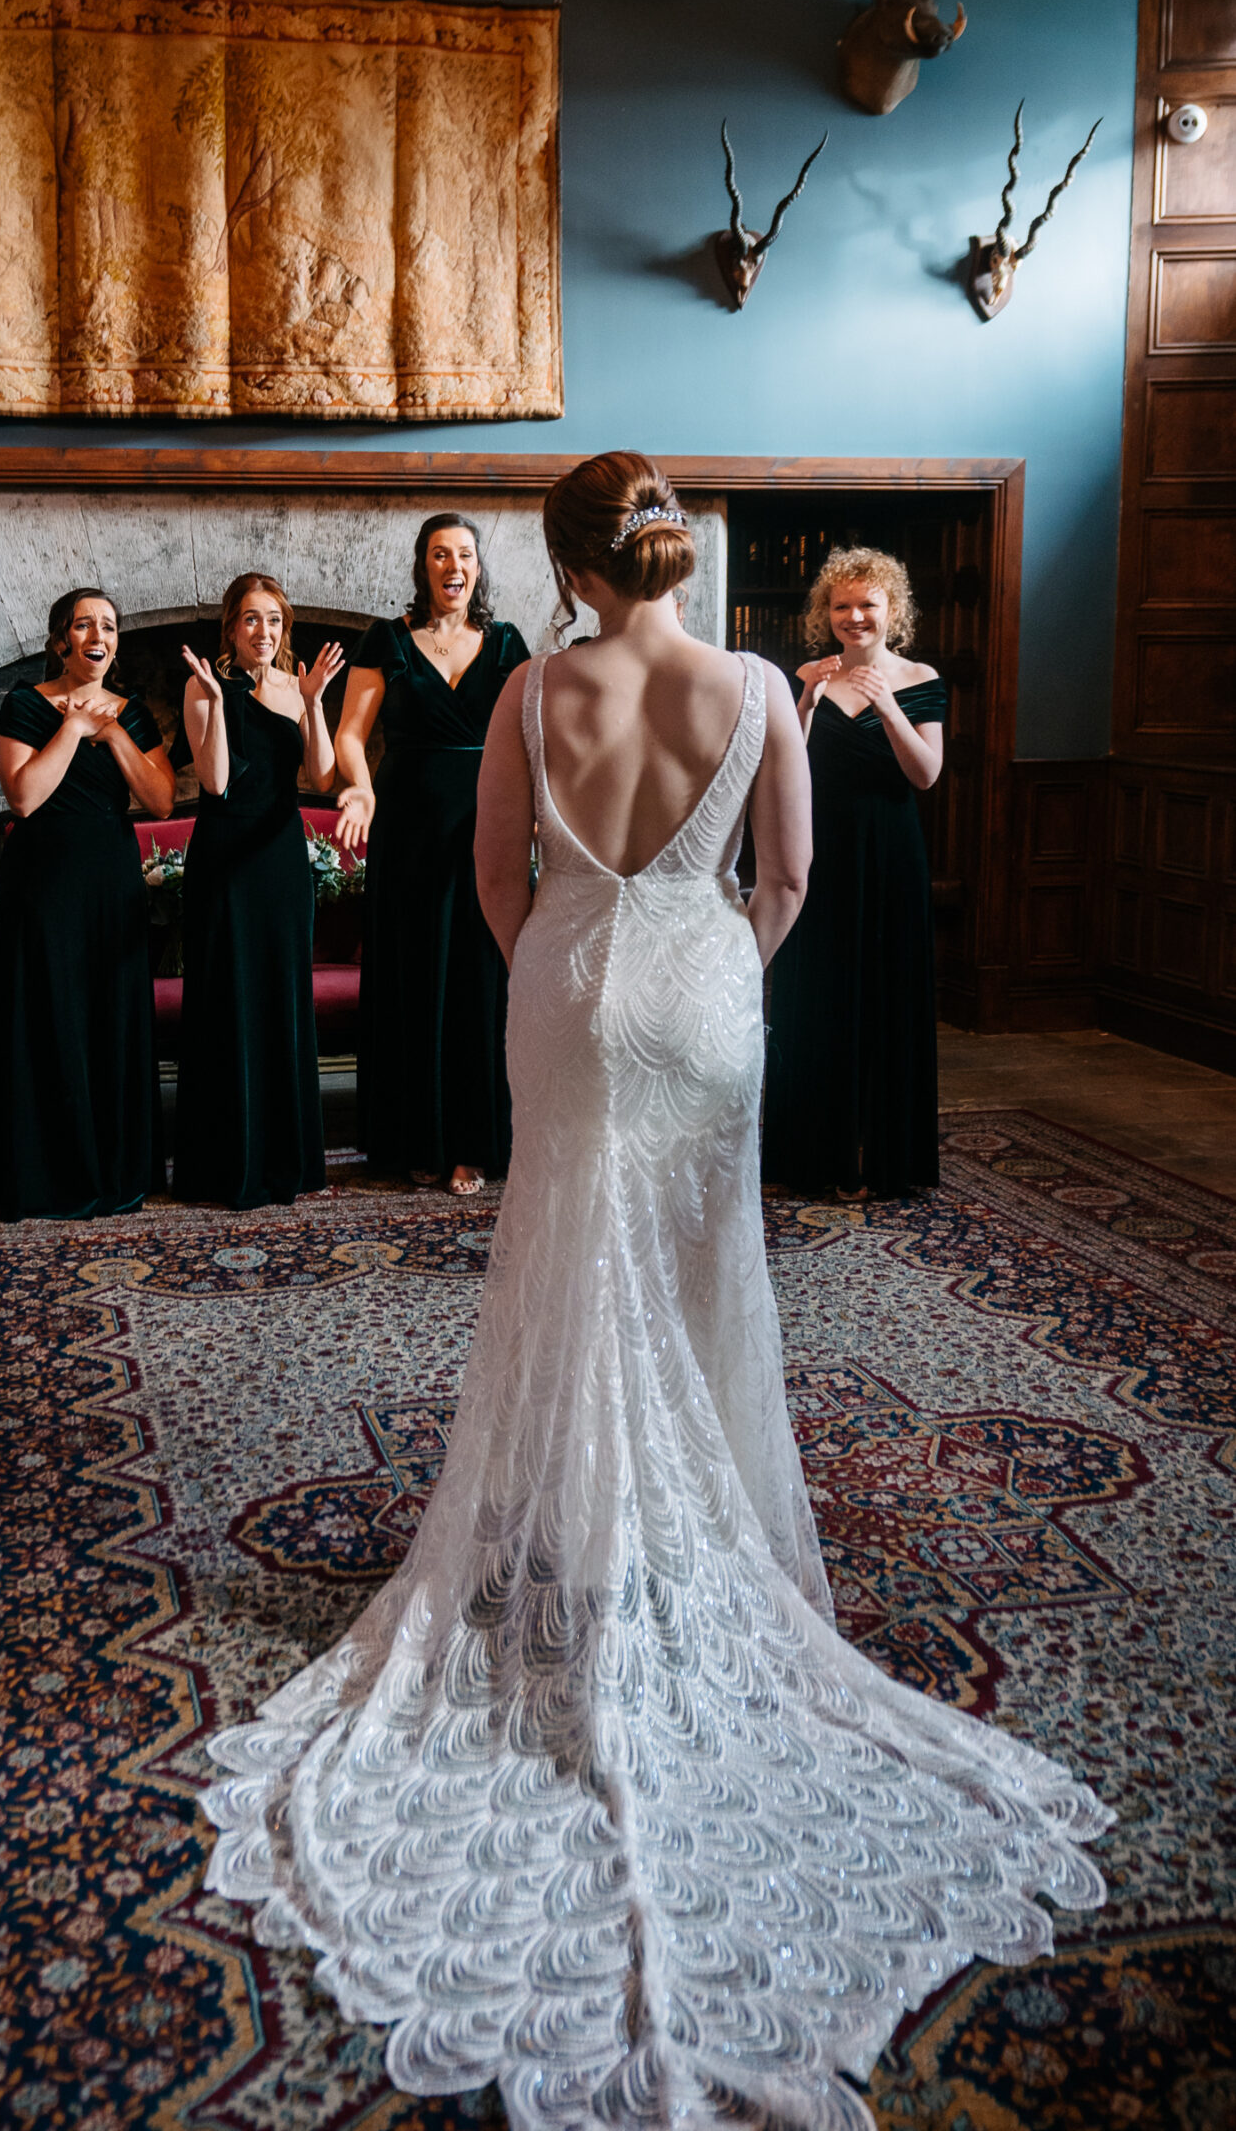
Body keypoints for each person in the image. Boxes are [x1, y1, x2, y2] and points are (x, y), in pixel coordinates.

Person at [201, 454, 1107, 2129]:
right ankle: (687, 1555)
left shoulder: (538, 684)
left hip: (563, 984)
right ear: (676, 546)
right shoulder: (758, 681)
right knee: (703, 1272)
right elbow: (792, 878)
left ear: (560, 563)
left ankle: (591, 1536)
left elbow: (489, 876)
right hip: (702, 985)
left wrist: (565, 968)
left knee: (559, 1257)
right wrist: (708, 977)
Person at [333, 515, 528, 1194]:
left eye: (464, 554)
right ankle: (414, 1138)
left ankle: (471, 1144)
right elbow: (351, 735)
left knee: (478, 981)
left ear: (477, 567)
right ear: (423, 565)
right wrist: (358, 788)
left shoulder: (506, 644)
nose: (452, 564)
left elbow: (531, 740)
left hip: (487, 823)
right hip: (408, 825)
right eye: (439, 553)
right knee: (413, 978)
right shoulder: (384, 640)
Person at [0, 588, 176, 1220]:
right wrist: (73, 726)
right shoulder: (23, 705)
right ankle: (47, 1178)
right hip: (42, 886)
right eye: (84, 624)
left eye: (110, 626)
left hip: (111, 884)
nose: (99, 634)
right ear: (61, 638)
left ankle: (119, 1172)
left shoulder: (134, 714)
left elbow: (162, 803)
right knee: (50, 1021)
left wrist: (114, 732)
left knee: (110, 1021)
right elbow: (25, 799)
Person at [762, 546, 946, 1199]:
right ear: (825, 613)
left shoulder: (920, 676)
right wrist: (808, 697)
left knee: (882, 995)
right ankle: (809, 1156)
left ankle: (880, 1159)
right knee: (817, 995)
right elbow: (787, 768)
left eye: (867, 604)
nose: (854, 616)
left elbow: (924, 774)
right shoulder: (806, 677)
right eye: (841, 605)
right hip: (821, 856)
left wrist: (887, 705)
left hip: (891, 854)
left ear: (891, 610)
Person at [172, 575, 344, 1209]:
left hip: (279, 860)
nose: (263, 633)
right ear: (231, 627)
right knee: (228, 1000)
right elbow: (214, 782)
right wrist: (218, 703)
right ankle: (225, 1164)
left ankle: (284, 1159)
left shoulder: (297, 688)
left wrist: (316, 702)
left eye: (273, 620)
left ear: (284, 626)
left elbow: (322, 778)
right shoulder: (203, 685)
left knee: (280, 1000)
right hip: (224, 859)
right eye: (250, 620)